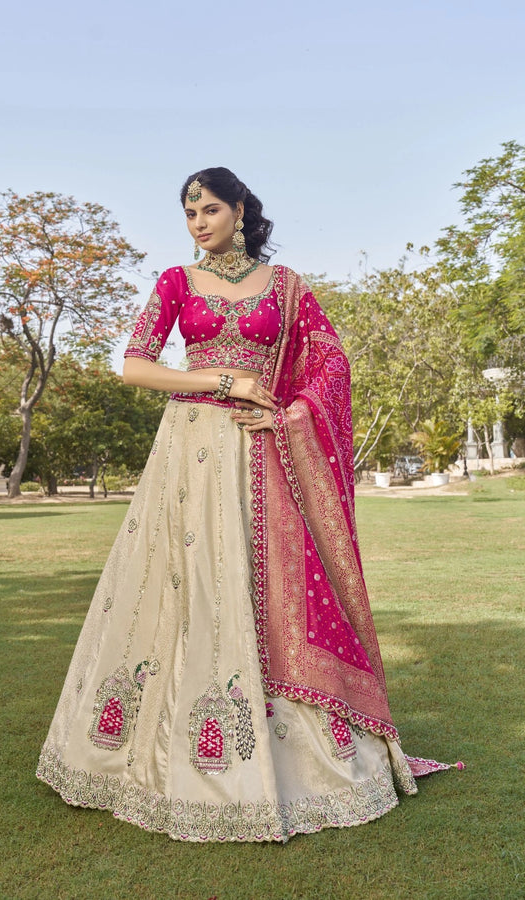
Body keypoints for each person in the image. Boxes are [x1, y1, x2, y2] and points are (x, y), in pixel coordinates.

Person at [36, 166, 457, 843]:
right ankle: (163, 750)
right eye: (189, 213)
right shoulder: (176, 281)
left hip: (261, 446)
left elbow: (332, 365)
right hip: (189, 448)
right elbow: (135, 365)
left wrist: (291, 414)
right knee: (186, 583)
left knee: (270, 585)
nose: (198, 222)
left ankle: (295, 752)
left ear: (239, 210)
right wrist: (221, 380)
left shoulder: (285, 286)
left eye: (208, 209)